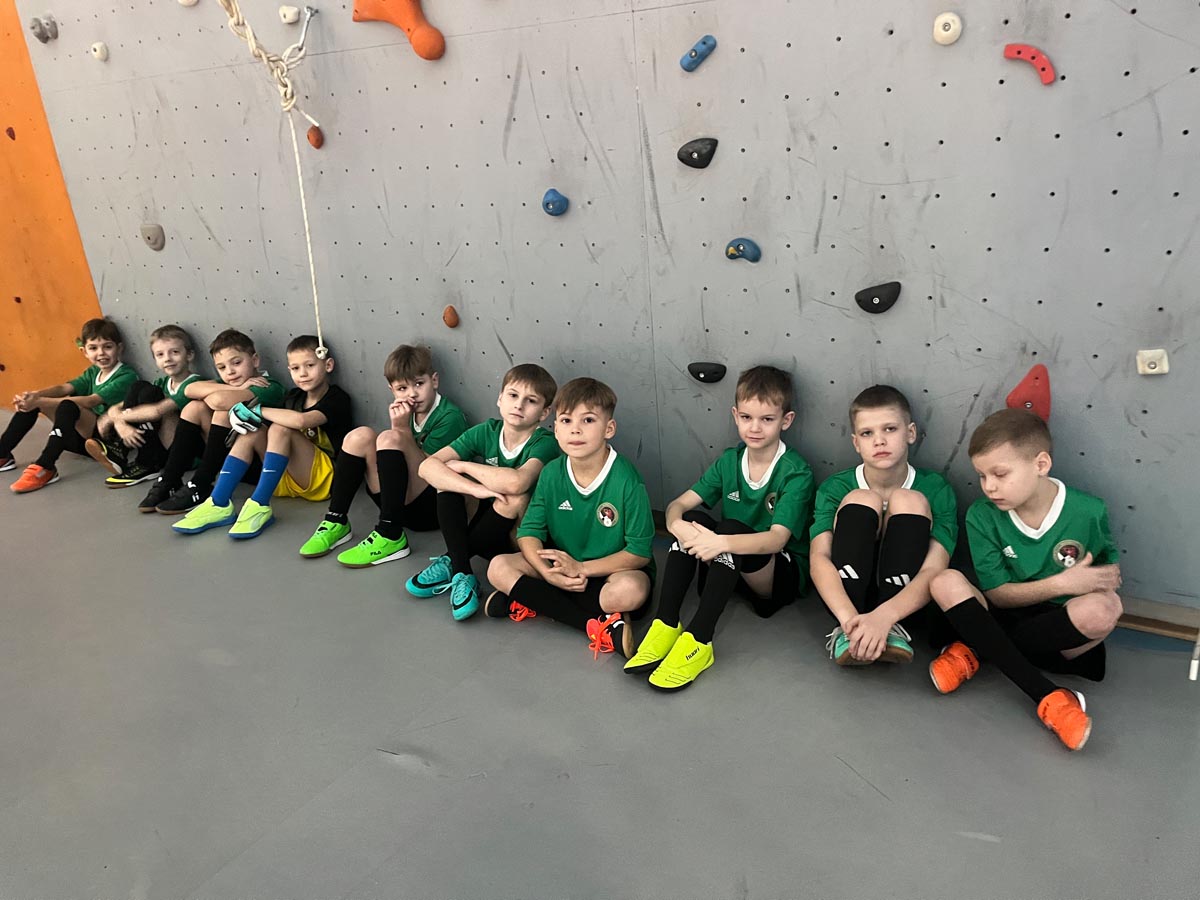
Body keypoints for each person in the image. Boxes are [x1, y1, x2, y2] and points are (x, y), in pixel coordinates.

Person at [927, 408, 1122, 751]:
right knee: (944, 581)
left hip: (1054, 631)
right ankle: (1048, 696)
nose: (989, 487)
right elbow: (997, 594)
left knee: (1107, 608)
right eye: (982, 476)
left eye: (1000, 474)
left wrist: (1095, 583)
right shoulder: (982, 515)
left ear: (1041, 464)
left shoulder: (1088, 511)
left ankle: (977, 650)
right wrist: (1062, 583)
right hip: (1006, 611)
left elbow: (1105, 579)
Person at [625, 365, 815, 690]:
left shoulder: (795, 472)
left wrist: (721, 543)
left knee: (729, 528)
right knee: (693, 520)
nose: (754, 427)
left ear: (786, 420)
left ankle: (700, 641)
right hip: (726, 569)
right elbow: (677, 505)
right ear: (735, 415)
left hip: (774, 578)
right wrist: (676, 525)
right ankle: (666, 622)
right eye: (747, 417)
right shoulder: (730, 461)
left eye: (767, 419)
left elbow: (776, 540)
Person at [485, 377, 654, 660]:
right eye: (565, 420)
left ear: (609, 428)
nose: (575, 429)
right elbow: (529, 532)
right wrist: (547, 572)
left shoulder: (627, 480)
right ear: (555, 428)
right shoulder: (551, 472)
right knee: (498, 568)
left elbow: (639, 553)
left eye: (588, 420)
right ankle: (595, 625)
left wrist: (582, 568)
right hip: (562, 565)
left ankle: (533, 598)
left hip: (609, 571)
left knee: (630, 591)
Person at [809, 385, 958, 666]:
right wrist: (849, 619)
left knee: (909, 500)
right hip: (846, 602)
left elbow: (934, 569)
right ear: (856, 443)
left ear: (910, 433)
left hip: (903, 605)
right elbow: (819, 558)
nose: (879, 441)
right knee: (862, 499)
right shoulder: (835, 487)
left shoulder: (935, 488)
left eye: (890, 429)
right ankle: (849, 633)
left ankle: (892, 631)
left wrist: (884, 617)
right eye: (867, 433)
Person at [407, 364, 560, 620]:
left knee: (513, 497)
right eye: (513, 395)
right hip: (487, 530)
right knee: (448, 481)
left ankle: (453, 559)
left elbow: (518, 482)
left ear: (544, 413)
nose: (519, 405)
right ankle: (462, 572)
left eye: (531, 400)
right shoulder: (487, 431)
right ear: (500, 399)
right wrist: (474, 488)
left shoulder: (544, 442)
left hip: (521, 541)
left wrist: (466, 466)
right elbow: (427, 467)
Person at [299, 344, 468, 567]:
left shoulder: (449, 416)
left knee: (390, 437)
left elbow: (431, 471)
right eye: (402, 388)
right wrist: (400, 430)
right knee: (360, 436)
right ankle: (336, 520)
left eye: (419, 384)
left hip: (431, 509)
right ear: (392, 390)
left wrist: (401, 430)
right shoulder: (407, 410)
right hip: (397, 502)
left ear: (434, 381)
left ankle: (390, 534)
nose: (412, 394)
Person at [171, 336, 353, 538]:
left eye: (309, 365)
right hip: (280, 478)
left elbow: (302, 421)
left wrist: (255, 410)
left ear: (328, 365)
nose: (302, 373)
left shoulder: (337, 398)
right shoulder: (294, 396)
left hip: (323, 480)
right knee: (253, 430)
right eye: (295, 368)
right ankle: (218, 502)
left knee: (280, 428)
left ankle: (259, 504)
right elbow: (189, 390)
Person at [138, 329, 285, 513]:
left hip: (261, 469)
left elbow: (218, 401)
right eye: (222, 368)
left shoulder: (268, 386)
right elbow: (189, 390)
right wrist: (234, 388)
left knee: (221, 413)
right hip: (231, 461)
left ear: (255, 360)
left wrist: (226, 390)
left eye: (237, 363)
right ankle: (170, 479)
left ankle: (201, 483)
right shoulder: (231, 384)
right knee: (194, 408)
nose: (230, 372)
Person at [1, 317, 139, 493]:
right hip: (81, 440)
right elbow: (63, 388)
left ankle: (45, 466)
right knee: (34, 403)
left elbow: (91, 401)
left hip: (105, 443)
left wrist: (40, 401)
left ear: (119, 348)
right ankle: (2, 454)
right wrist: (35, 395)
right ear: (84, 352)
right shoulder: (93, 372)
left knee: (68, 405)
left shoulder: (126, 376)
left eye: (107, 347)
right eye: (93, 348)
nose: (101, 353)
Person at [85, 324, 202, 488]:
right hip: (164, 447)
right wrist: (120, 422)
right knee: (139, 387)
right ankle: (123, 452)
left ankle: (144, 462)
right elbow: (116, 408)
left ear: (189, 355)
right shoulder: (162, 383)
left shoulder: (194, 384)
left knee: (150, 396)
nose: (167, 358)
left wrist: (117, 420)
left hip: (187, 455)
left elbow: (156, 411)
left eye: (175, 352)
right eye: (160, 354)